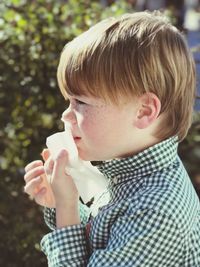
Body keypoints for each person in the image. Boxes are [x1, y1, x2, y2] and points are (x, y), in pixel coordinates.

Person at [24, 11, 200, 266]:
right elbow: (106, 235)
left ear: (144, 111)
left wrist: (66, 206)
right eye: (69, 101)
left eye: (81, 102)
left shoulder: (154, 212)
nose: (66, 115)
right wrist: (62, 203)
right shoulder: (134, 175)